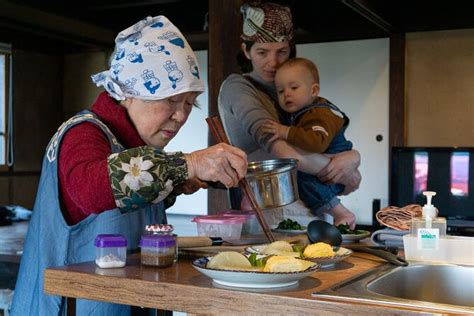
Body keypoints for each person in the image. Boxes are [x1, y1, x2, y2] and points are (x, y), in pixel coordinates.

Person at [11, 16, 247, 316]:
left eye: (189, 103)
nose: (180, 116)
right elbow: (89, 189)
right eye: (171, 100)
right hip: (66, 307)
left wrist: (177, 182)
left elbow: (128, 200)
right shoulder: (83, 133)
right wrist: (187, 164)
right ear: (129, 92)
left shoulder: (137, 148)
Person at [218, 2, 360, 228]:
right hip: (269, 215)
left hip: (312, 209)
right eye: (262, 52)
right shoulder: (238, 87)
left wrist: (352, 157)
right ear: (246, 50)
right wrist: (343, 170)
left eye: (281, 52)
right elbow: (277, 147)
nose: (273, 63)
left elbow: (318, 136)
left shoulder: (293, 89)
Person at [261, 57, 355, 224]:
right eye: (281, 91)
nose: (287, 94)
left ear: (314, 90)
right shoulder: (303, 112)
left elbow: (316, 141)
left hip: (334, 170)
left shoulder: (319, 114)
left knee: (304, 179)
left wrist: (286, 131)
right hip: (328, 168)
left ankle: (342, 213)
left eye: (294, 87)